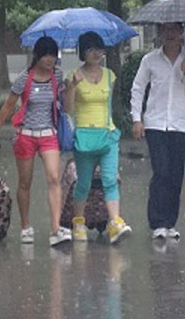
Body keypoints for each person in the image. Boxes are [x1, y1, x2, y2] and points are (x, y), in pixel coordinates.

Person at [0, 36, 72, 246]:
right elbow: (8, 106)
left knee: (54, 178)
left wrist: (70, 88)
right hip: (26, 135)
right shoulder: (24, 78)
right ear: (37, 56)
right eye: (46, 55)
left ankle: (55, 229)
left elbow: (65, 104)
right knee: (25, 182)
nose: (50, 60)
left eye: (53, 55)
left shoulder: (58, 75)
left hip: (49, 134)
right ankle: (25, 226)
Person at [130, 22, 185, 239]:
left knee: (176, 174)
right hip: (155, 123)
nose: (170, 34)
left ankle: (170, 223)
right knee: (161, 171)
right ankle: (157, 222)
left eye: (175, 30)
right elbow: (138, 88)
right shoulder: (150, 60)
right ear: (160, 33)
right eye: (166, 30)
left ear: (182, 33)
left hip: (179, 124)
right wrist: (137, 119)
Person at [64, 31, 131, 244]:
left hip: (108, 134)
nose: (96, 53)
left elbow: (109, 105)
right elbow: (68, 109)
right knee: (83, 183)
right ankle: (78, 222)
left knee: (110, 180)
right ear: (82, 52)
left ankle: (115, 222)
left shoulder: (110, 76)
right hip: (84, 136)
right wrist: (73, 86)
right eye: (91, 49)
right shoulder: (73, 76)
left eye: (99, 49)